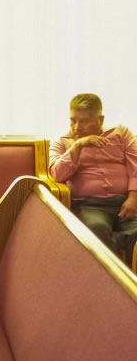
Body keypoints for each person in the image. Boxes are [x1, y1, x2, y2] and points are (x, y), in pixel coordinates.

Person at [49, 93, 137, 264]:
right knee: (96, 230)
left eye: (84, 121)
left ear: (100, 120)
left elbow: (136, 165)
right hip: (89, 206)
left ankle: (119, 251)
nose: (77, 127)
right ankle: (113, 275)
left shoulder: (121, 134)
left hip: (126, 202)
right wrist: (78, 146)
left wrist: (134, 197)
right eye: (73, 120)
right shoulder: (62, 142)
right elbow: (57, 174)